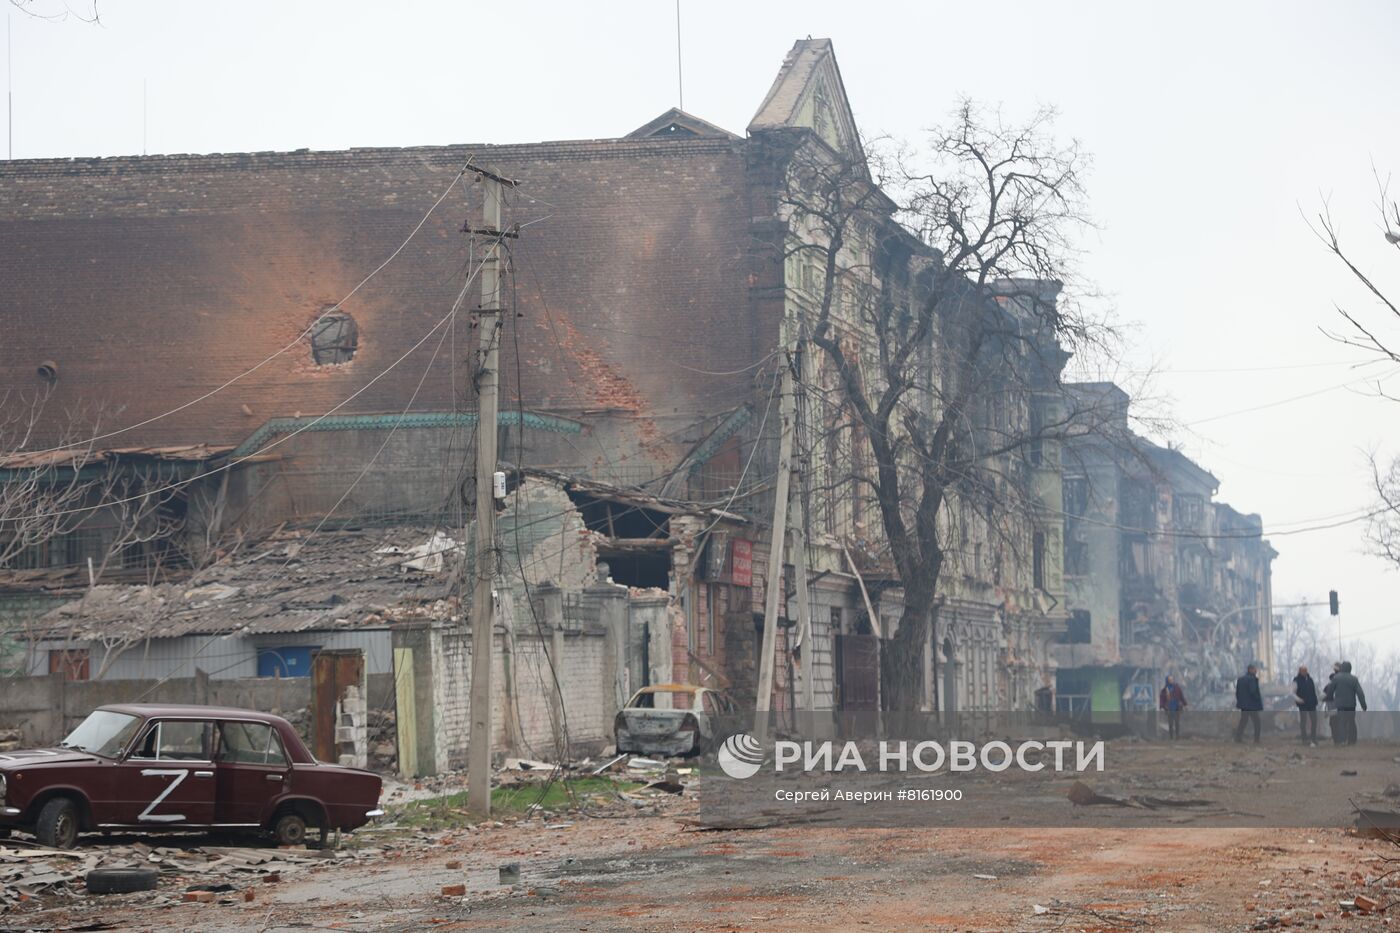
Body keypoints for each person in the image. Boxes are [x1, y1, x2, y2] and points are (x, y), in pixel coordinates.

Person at [1330, 660, 1367, 745]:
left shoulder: (1336, 678)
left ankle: (1342, 740)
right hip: (1351, 705)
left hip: (1340, 705)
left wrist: (1330, 699)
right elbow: (1360, 693)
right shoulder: (1354, 679)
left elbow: (1330, 691)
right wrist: (1363, 705)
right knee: (1351, 722)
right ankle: (1352, 740)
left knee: (1341, 722)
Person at [1234, 663, 1263, 743]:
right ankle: (1256, 739)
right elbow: (1253, 691)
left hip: (1244, 705)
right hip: (1252, 705)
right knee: (1257, 722)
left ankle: (1238, 738)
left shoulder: (1240, 680)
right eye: (1254, 669)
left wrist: (1240, 701)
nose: (1256, 671)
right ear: (1250, 670)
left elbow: (1237, 693)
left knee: (1243, 721)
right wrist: (1258, 699)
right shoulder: (1252, 679)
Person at [1293, 665, 1319, 746]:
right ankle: (1304, 739)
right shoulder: (1296, 681)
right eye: (1303, 670)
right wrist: (1299, 700)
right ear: (1300, 671)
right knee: (1303, 721)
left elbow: (1314, 691)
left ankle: (1313, 738)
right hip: (1303, 704)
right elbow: (1293, 693)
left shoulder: (1310, 680)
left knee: (1314, 720)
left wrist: (1316, 700)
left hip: (1312, 703)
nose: (1305, 672)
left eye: (1306, 670)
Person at [1159, 675, 1188, 739]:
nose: (1171, 681)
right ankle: (1171, 737)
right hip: (1169, 709)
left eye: (1172, 679)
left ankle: (1177, 736)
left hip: (1176, 708)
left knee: (1177, 723)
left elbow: (1181, 696)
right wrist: (1161, 707)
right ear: (1167, 681)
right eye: (1170, 680)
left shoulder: (1177, 688)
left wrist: (1185, 704)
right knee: (1170, 724)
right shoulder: (1164, 690)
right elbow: (1162, 699)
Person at [1323, 661, 1343, 744]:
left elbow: (1323, 696)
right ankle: (1339, 740)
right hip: (1337, 708)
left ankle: (1337, 740)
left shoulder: (1329, 686)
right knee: (1337, 724)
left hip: (1334, 709)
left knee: (1335, 724)